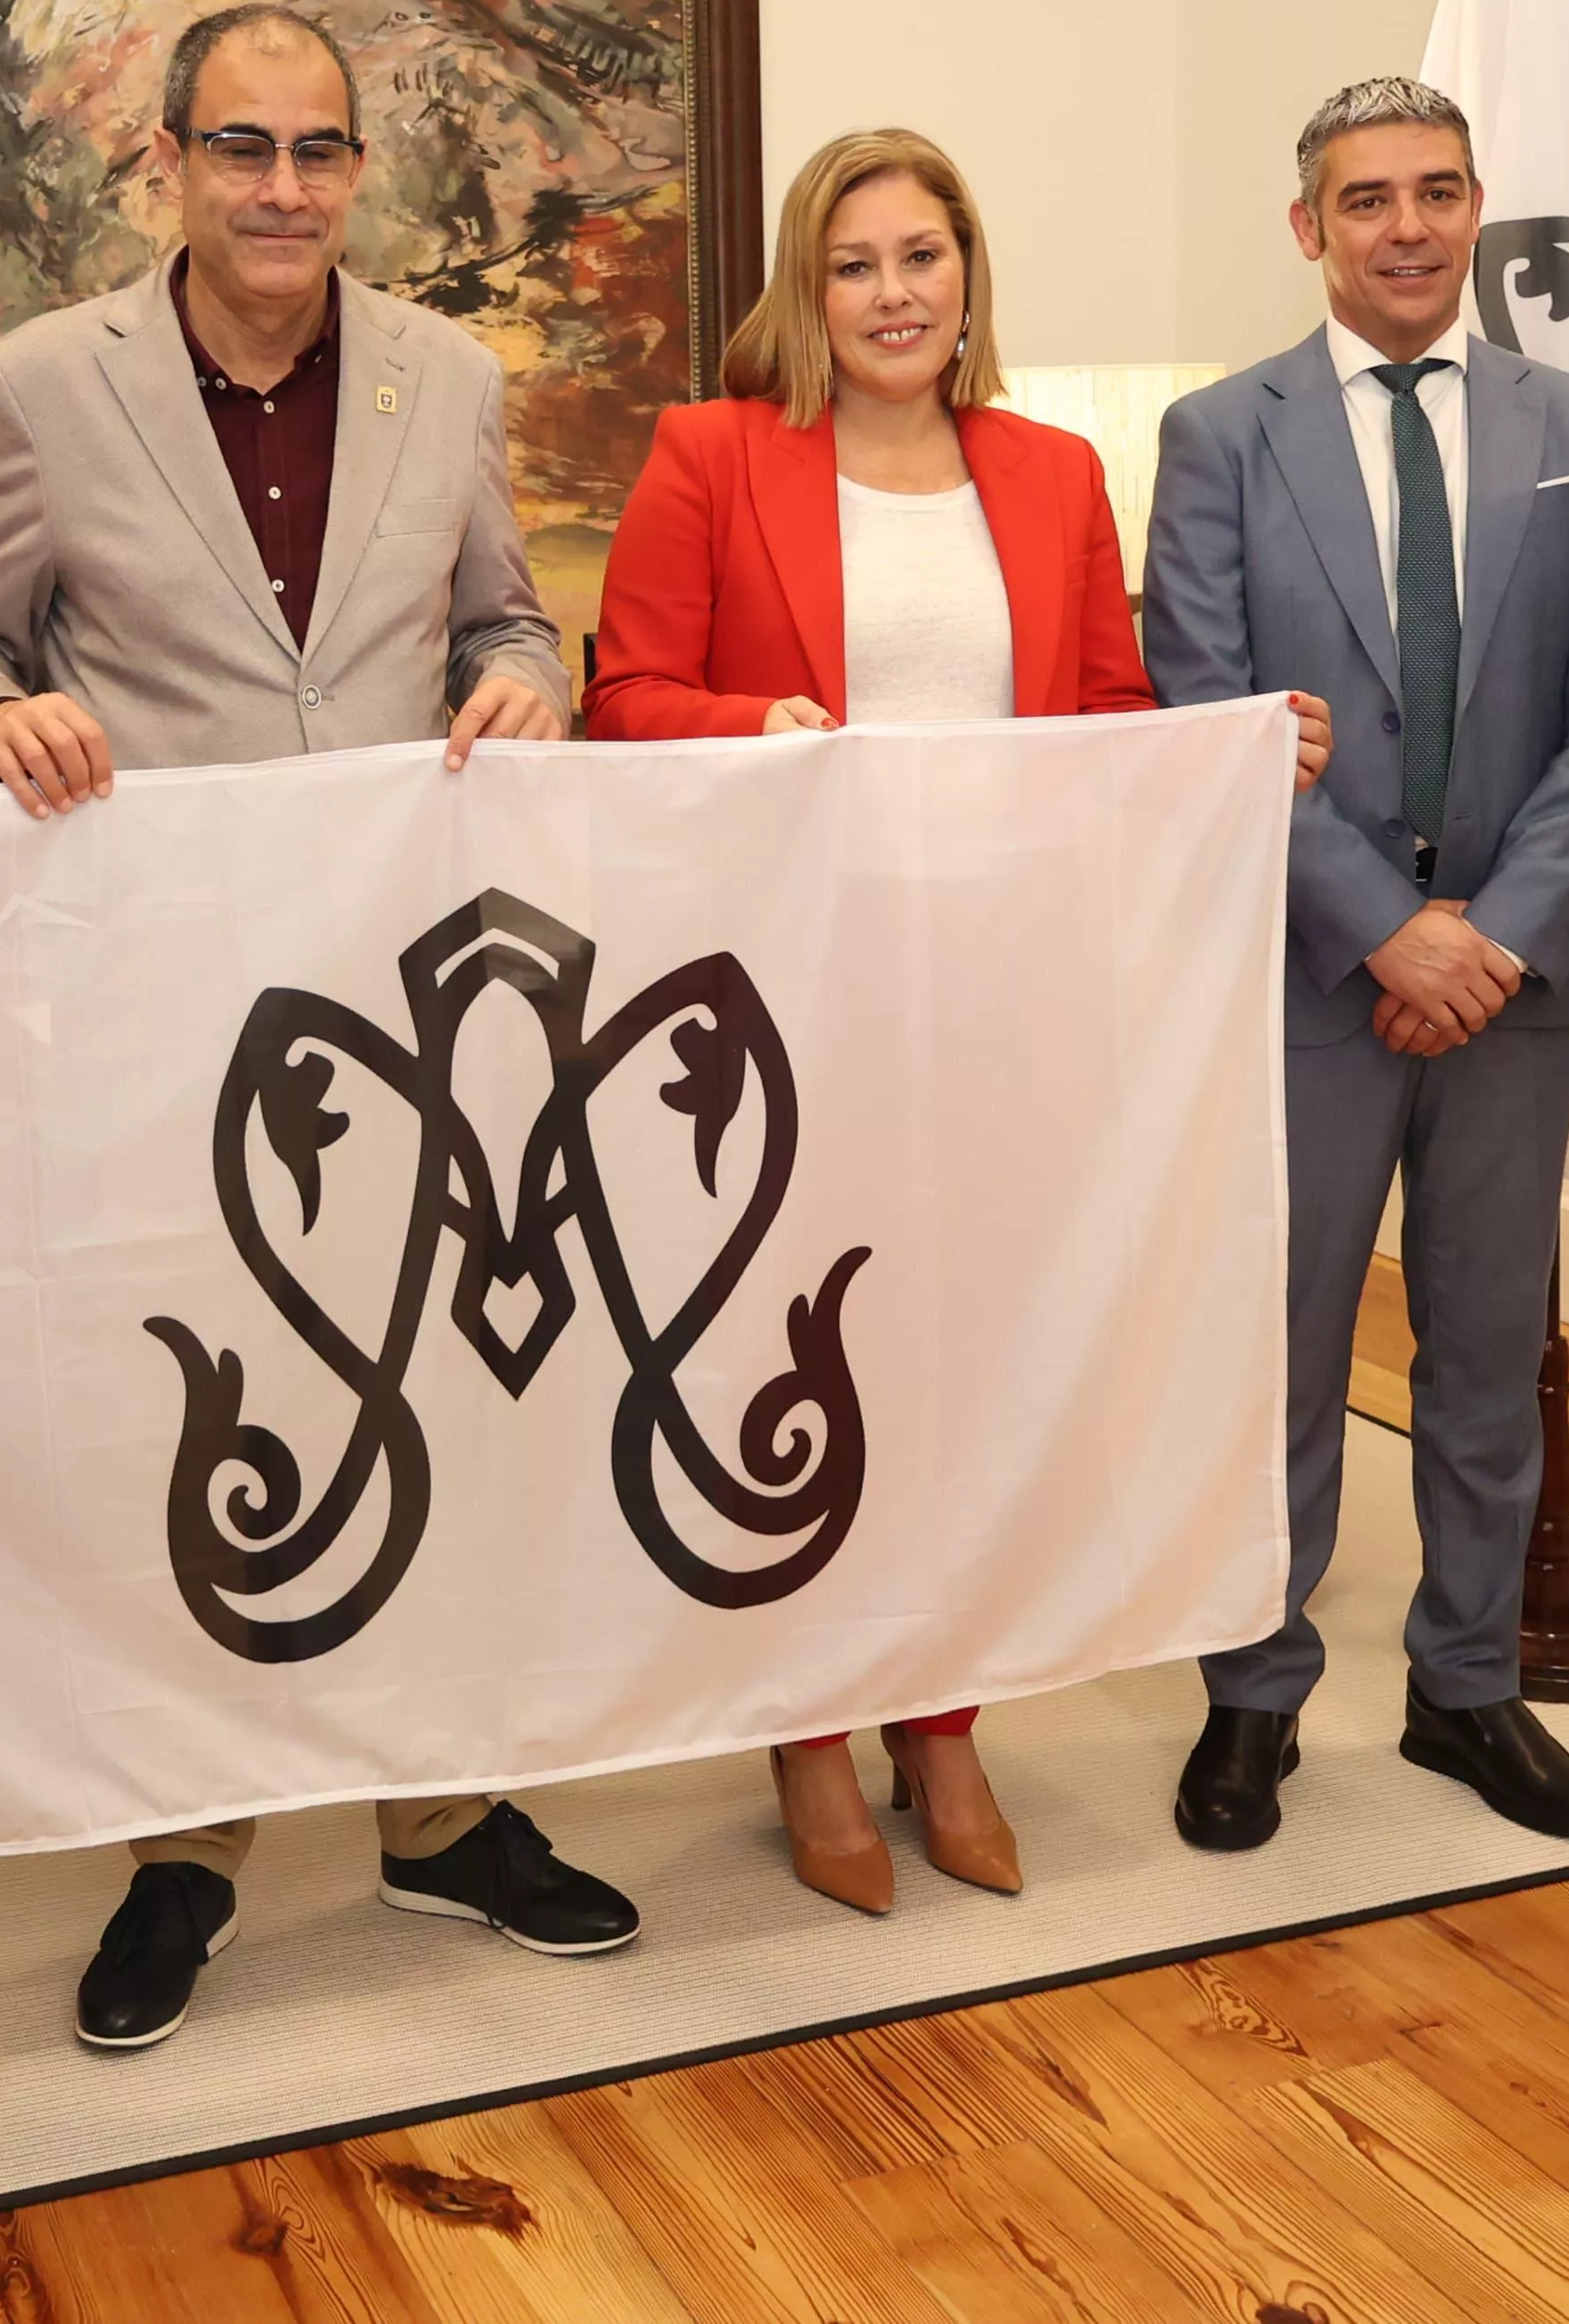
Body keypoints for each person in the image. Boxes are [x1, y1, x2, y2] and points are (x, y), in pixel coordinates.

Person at [0, 0, 634, 2050]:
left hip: (413, 985)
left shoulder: (449, 377)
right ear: (172, 164)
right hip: (155, 994)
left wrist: (529, 677)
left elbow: (501, 611)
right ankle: (188, 1838)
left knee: (429, 1385)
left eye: (317, 150)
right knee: (201, 1405)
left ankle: (439, 1803)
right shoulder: (53, 381)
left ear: (354, 169)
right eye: (244, 148)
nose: (283, 188)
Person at [588, 126, 1332, 1914]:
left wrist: (1233, 750)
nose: (894, 290)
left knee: (963, 1367)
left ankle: (944, 1715)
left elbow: (1106, 715)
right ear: (805, 285)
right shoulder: (710, 454)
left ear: (968, 274)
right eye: (855, 262)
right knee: (795, 1368)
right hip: (782, 992)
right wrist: (754, 729)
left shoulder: (1053, 468)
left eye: (923, 254)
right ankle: (809, 1726)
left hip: (998, 996)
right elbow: (622, 695)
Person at [1138, 75, 1569, 1856]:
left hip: (1512, 987)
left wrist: (1488, 938)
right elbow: (1203, 707)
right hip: (1303, 972)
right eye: (1366, 198)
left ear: (1475, 207)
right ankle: (1252, 1696)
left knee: (1485, 1342)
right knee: (1275, 1353)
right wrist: (1384, 923)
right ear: (1309, 228)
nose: (1407, 226)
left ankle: (1466, 1683)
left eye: (1437, 191)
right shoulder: (1223, 434)